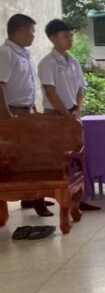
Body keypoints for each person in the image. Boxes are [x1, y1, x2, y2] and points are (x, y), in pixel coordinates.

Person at [38, 18, 100, 211]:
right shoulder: (47, 63)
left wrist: (77, 110)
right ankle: (43, 200)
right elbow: (50, 92)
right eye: (66, 36)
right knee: (55, 159)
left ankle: (78, 199)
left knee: (76, 158)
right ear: (53, 38)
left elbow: (80, 89)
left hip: (73, 115)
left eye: (71, 36)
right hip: (55, 116)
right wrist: (66, 115)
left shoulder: (73, 62)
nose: (70, 39)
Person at [0, 14, 52, 215]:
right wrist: (6, 116)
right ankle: (35, 199)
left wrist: (33, 109)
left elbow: (26, 84)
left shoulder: (24, 54)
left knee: (31, 156)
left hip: (26, 110)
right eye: (32, 31)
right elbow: (1, 85)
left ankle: (31, 198)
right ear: (21, 30)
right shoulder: (6, 53)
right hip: (12, 111)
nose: (33, 36)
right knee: (20, 159)